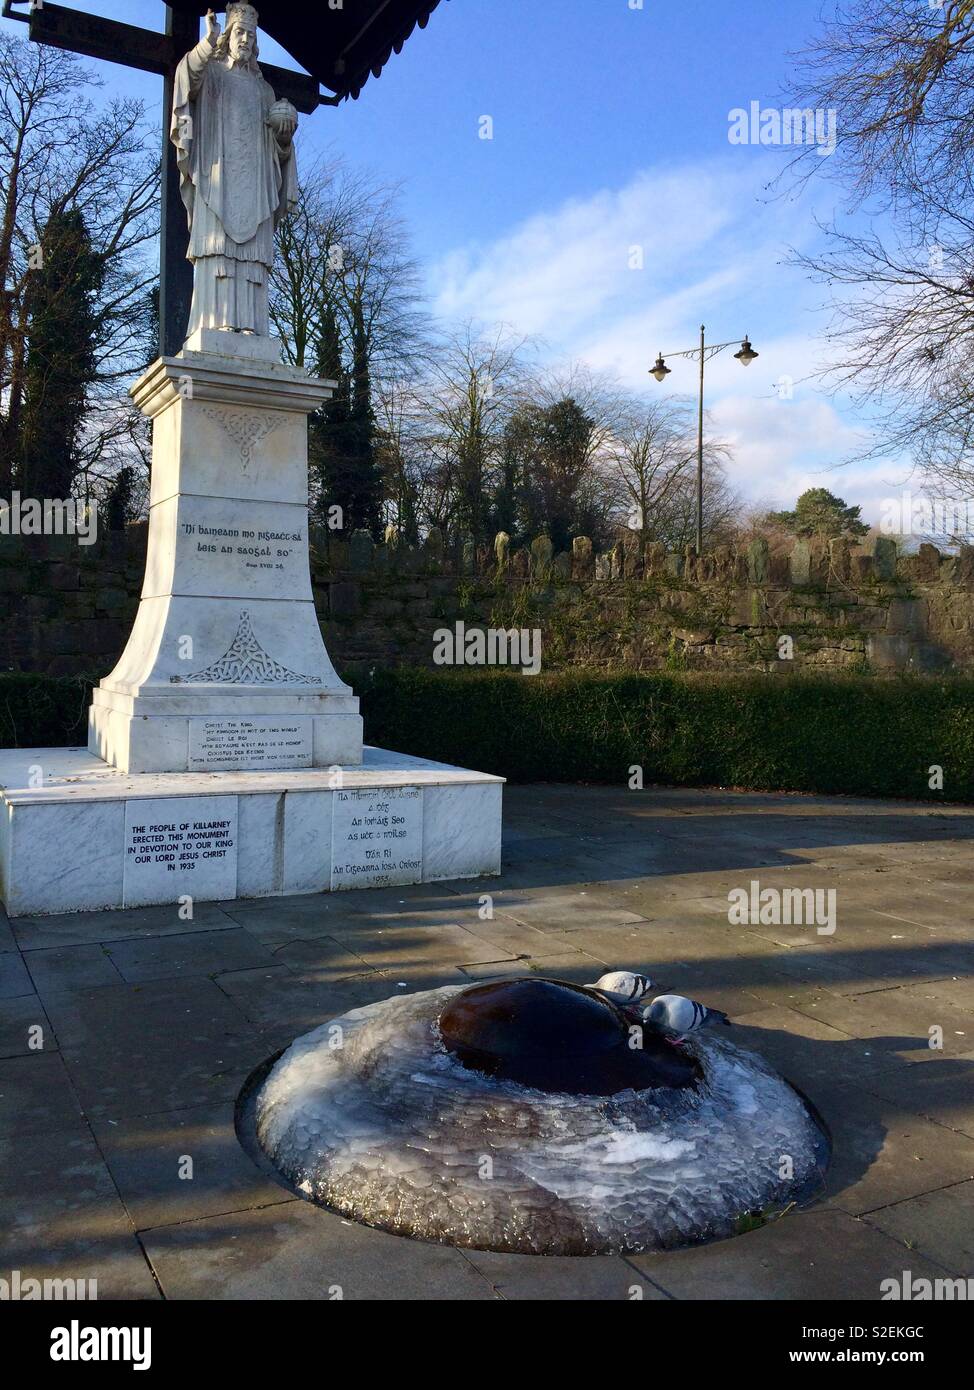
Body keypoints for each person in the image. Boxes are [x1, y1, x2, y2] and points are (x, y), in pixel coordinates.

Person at [170, 4, 298, 338]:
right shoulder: (211, 73)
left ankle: (253, 329)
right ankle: (214, 326)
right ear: (229, 35)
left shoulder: (264, 91)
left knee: (252, 262)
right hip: (217, 181)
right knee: (217, 254)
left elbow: (277, 153)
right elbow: (185, 81)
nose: (244, 39)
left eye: (250, 35)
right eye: (239, 32)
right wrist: (206, 43)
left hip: (254, 186)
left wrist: (283, 139)